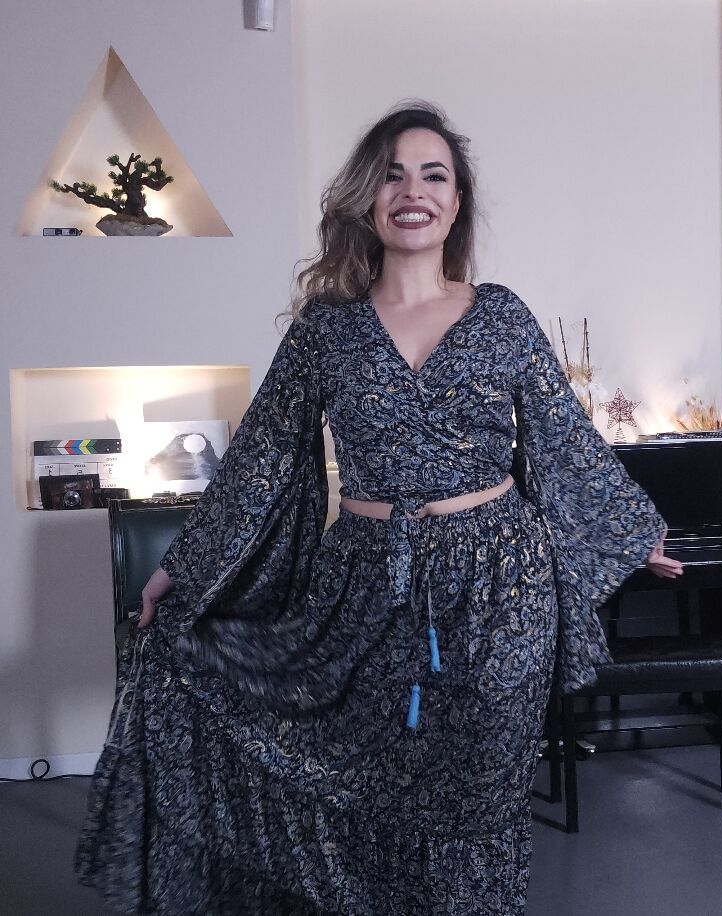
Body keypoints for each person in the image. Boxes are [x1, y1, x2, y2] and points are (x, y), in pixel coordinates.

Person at [76, 100, 682, 915]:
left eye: (434, 175)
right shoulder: (326, 331)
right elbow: (260, 461)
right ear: (368, 199)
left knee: (479, 800)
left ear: (457, 203)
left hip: (501, 589)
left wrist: (632, 533)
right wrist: (179, 572)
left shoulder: (501, 315)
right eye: (393, 175)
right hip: (363, 591)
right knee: (367, 793)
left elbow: (563, 438)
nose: (413, 191)